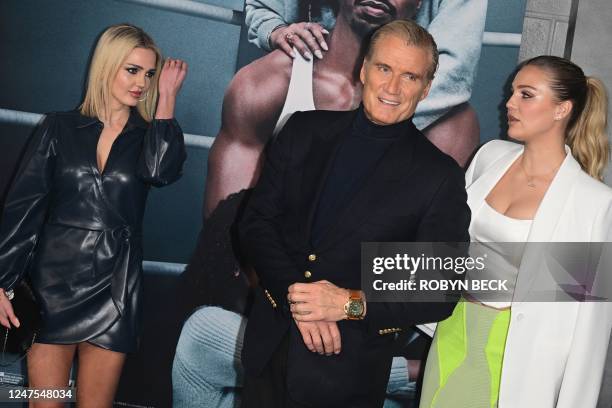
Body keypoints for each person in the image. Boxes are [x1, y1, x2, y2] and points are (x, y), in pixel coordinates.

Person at [238, 19, 470, 407]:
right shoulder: (303, 129)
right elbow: (255, 222)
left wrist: (348, 303)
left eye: (410, 77)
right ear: (363, 68)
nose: (392, 88)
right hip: (269, 351)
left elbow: (439, 288)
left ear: (426, 88)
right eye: (384, 68)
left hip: (346, 376)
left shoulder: (439, 176)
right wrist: (302, 301)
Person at [0, 24, 187, 406]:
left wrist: (166, 100)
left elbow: (160, 172)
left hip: (115, 292)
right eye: (132, 70)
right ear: (107, 66)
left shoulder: (150, 136)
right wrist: (2, 280)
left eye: (150, 74)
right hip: (50, 290)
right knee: (45, 402)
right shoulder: (59, 127)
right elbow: (23, 209)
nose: (142, 83)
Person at [419, 56, 612, 407]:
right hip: (452, 331)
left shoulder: (592, 202)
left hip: (518, 359)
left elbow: (589, 331)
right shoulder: (490, 157)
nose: (509, 103)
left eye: (526, 94)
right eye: (512, 92)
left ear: (561, 109)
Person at [244, 0, 487, 164]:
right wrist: (273, 27)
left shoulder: (452, 128)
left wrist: (368, 131)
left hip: (402, 103)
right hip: (313, 73)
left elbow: (456, 65)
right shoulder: (266, 84)